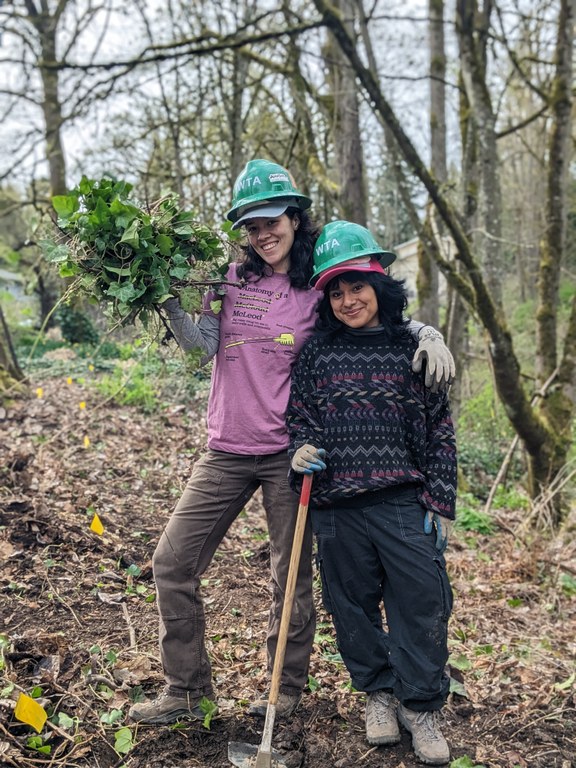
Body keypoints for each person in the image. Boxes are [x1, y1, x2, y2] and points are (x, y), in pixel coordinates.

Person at [128, 161, 455, 726]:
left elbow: (372, 311)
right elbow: (200, 347)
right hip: (226, 449)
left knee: (290, 578)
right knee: (171, 563)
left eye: (272, 220)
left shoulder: (317, 287)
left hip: (291, 453)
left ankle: (284, 689)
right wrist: (170, 301)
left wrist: (429, 333)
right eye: (251, 226)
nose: (263, 234)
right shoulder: (228, 279)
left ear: (294, 218)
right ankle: (186, 691)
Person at [286, 220, 457, 766]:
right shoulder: (316, 356)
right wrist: (300, 453)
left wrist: (441, 500)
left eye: (356, 286)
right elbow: (300, 420)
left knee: (422, 602)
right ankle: (378, 695)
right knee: (352, 608)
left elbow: (439, 431)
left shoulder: (415, 349)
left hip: (402, 503)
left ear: (379, 285)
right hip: (337, 506)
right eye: (335, 291)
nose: (347, 299)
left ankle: (422, 706)